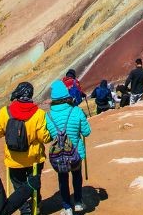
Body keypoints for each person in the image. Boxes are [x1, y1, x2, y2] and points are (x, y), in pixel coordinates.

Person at [0, 83, 50, 215]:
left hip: (13, 158)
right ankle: (37, 203)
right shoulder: (39, 113)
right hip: (34, 158)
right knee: (34, 182)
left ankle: (24, 209)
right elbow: (43, 137)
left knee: (18, 185)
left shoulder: (5, 112)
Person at [47, 81, 91, 215]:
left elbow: (48, 137)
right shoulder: (76, 111)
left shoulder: (48, 116)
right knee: (77, 176)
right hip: (76, 153)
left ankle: (66, 207)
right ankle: (78, 202)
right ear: (66, 94)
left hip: (59, 156)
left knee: (62, 179)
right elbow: (87, 132)